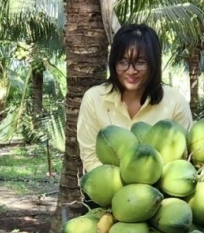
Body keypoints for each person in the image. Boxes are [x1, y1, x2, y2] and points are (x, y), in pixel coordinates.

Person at [76, 23, 193, 173]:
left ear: (154, 64)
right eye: (123, 62)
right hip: (106, 191)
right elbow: (90, 159)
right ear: (113, 63)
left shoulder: (175, 102)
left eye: (140, 63)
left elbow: (184, 158)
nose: (131, 71)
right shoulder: (93, 99)